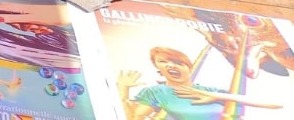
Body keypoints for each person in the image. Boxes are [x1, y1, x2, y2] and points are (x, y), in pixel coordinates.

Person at [118, 47, 283, 119]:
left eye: (177, 62)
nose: (170, 65)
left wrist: (211, 95)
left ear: (189, 67)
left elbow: (275, 104)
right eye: (163, 62)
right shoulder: (156, 92)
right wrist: (123, 88)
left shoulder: (209, 91)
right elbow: (132, 118)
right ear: (158, 68)